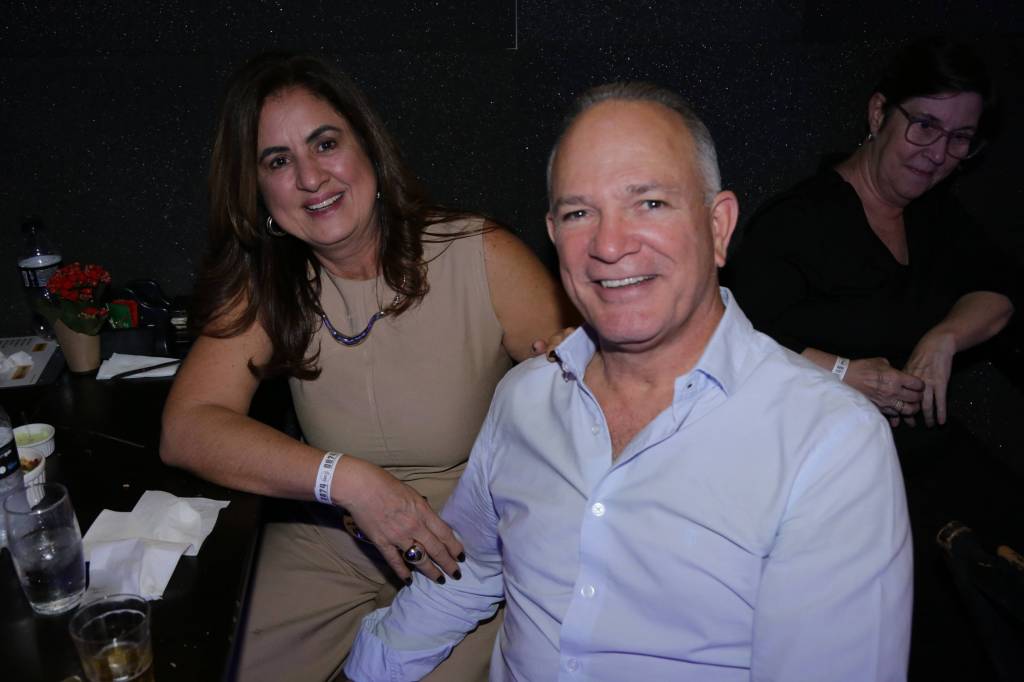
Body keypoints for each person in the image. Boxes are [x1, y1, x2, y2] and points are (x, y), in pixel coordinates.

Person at [344, 82, 913, 682]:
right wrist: (367, 669)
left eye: (650, 203)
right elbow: (470, 569)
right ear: (553, 236)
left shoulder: (830, 443)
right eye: (579, 213)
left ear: (719, 226)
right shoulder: (525, 398)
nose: (609, 245)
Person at [159, 52, 571, 682]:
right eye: (278, 161)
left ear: (369, 148)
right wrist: (345, 480)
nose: (310, 177)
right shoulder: (267, 287)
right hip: (333, 533)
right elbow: (187, 427)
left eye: (325, 143)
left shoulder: (480, 253)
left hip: (469, 547)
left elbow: (584, 398)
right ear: (260, 191)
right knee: (202, 658)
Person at [727, 39, 1017, 677]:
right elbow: (735, 343)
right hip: (830, 470)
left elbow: (998, 295)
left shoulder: (937, 214)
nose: (938, 153)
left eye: (960, 139)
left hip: (925, 453)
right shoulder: (797, 221)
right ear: (879, 112)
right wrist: (842, 373)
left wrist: (944, 337)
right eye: (925, 126)